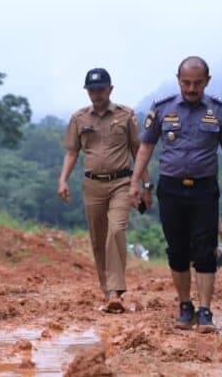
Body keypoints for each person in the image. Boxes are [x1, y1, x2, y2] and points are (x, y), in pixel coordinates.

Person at [129, 56, 222, 333]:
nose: (191, 88)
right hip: (170, 188)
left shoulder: (220, 110)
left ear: (207, 81)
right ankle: (185, 305)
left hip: (205, 189)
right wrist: (135, 182)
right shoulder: (161, 108)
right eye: (186, 83)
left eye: (197, 83)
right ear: (178, 79)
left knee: (206, 250)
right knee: (177, 250)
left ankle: (205, 310)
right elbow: (145, 146)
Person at [58, 68, 152, 313]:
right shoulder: (79, 118)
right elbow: (71, 152)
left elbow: (138, 150)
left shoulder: (126, 115)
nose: (96, 94)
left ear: (110, 89)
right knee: (98, 238)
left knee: (116, 230)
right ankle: (107, 290)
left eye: (100, 89)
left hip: (121, 183)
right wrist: (63, 180)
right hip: (92, 185)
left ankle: (116, 292)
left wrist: (145, 185)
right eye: (92, 90)